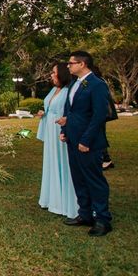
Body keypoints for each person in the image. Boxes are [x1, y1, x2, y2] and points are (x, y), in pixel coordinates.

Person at [61, 51, 112, 236]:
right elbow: (70, 112)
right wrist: (64, 132)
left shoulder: (97, 84)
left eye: (71, 63)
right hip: (72, 139)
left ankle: (103, 219)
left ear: (82, 64)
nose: (68, 66)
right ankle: (85, 214)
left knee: (94, 179)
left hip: (88, 142)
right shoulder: (74, 84)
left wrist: (85, 140)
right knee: (78, 178)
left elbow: (99, 115)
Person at [36, 63, 78, 218]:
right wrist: (43, 113)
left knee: (64, 163)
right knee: (52, 163)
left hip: (61, 131)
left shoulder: (70, 91)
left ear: (62, 74)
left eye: (54, 72)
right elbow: (50, 108)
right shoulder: (54, 89)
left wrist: (66, 121)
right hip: (50, 130)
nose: (51, 75)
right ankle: (52, 199)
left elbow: (72, 111)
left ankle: (66, 202)